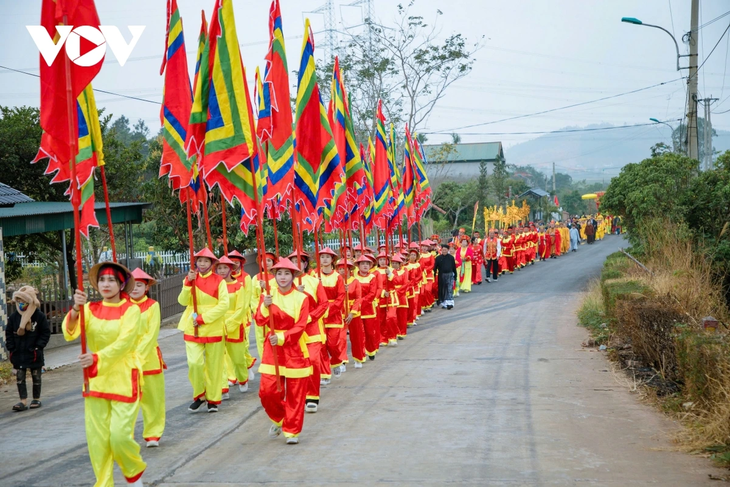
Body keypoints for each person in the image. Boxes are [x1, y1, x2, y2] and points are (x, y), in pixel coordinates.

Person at [62, 262, 146, 487]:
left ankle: (133, 471)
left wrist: (96, 359)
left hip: (123, 377)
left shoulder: (132, 310)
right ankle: (103, 483)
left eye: (111, 280)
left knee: (119, 437)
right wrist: (76, 309)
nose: (106, 284)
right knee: (98, 441)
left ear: (121, 285)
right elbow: (70, 333)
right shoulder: (90, 309)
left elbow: (125, 343)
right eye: (102, 280)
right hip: (96, 380)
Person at [255, 258, 311, 445]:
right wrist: (265, 305)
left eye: (287, 273)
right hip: (272, 350)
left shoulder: (302, 298)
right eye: (279, 273)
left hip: (295, 348)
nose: (283, 277)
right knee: (267, 392)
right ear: (274, 276)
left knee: (296, 394)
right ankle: (279, 419)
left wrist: (281, 337)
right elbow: (259, 320)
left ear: (294, 275)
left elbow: (301, 326)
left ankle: (292, 430)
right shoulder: (268, 296)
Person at [177, 248, 229, 413]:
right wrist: (187, 284)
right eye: (200, 260)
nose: (203, 263)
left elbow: (224, 305)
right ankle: (199, 395)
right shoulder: (190, 278)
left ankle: (213, 399)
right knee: (195, 363)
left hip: (212, 326)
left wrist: (203, 318)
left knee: (214, 366)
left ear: (212, 263)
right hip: (192, 327)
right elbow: (182, 301)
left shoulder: (219, 281)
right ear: (196, 262)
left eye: (206, 261)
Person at [129, 269, 166, 448]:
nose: (135, 288)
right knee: (127, 400)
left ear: (146, 288)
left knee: (152, 398)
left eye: (139, 285)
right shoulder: (121, 306)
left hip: (148, 357)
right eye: (132, 285)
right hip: (125, 358)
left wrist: (138, 355)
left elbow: (151, 334)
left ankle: (153, 433)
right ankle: (126, 435)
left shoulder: (152, 305)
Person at [289, 251, 329, 412]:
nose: (296, 264)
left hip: (312, 329)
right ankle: (298, 396)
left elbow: (324, 304)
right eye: (292, 261)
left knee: (313, 360)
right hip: (292, 332)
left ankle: (312, 396)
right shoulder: (284, 283)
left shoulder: (314, 282)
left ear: (305, 264)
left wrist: (310, 317)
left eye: (299, 261)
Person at [7, 286, 50, 412]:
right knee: (20, 377)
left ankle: (36, 398)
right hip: (18, 352)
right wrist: (11, 347)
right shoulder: (14, 317)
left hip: (34, 352)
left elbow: (45, 333)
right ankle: (22, 400)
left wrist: (38, 346)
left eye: (23, 301)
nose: (21, 304)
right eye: (18, 301)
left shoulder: (39, 316)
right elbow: (9, 333)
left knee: (36, 376)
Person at [215, 257, 251, 399]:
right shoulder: (215, 286)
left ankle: (242, 378)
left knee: (237, 358)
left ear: (231, 269)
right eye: (219, 268)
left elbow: (241, 308)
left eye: (225, 268)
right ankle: (223, 387)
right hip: (217, 325)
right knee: (220, 358)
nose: (222, 271)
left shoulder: (238, 286)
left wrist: (229, 323)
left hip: (235, 326)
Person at [319, 248, 347, 377]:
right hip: (319, 316)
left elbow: (341, 297)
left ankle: (336, 361)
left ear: (332, 260)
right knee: (321, 345)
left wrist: (329, 309)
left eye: (327, 257)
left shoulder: (337, 277)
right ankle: (325, 373)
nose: (324, 259)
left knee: (333, 344)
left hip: (333, 315)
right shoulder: (315, 275)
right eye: (322, 256)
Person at [336, 259, 364, 366]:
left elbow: (358, 298)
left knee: (356, 337)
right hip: (340, 311)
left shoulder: (355, 281)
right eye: (340, 268)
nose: (342, 270)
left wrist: (352, 312)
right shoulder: (337, 282)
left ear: (349, 269)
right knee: (341, 338)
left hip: (354, 312)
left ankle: (358, 358)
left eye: (344, 268)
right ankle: (342, 360)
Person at [354, 254, 381, 360]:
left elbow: (372, 293)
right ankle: (361, 354)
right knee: (359, 333)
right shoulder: (354, 277)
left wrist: (361, 302)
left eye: (367, 264)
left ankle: (370, 350)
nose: (365, 266)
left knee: (370, 332)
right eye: (362, 264)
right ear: (358, 266)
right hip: (356, 309)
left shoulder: (372, 277)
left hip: (368, 308)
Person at [434, 244, 457, 309]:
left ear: (448, 250)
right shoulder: (438, 258)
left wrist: (455, 275)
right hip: (441, 275)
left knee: (449, 288)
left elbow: (454, 267)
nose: (444, 251)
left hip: (449, 274)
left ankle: (450, 303)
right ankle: (444, 303)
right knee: (443, 289)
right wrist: (434, 275)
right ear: (441, 250)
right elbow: (435, 268)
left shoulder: (451, 258)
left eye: (446, 250)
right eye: (443, 250)